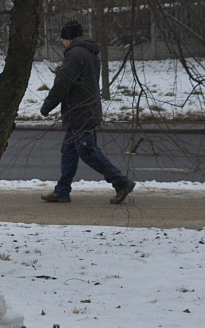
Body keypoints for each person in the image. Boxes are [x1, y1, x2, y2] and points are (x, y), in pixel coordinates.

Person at [39, 20, 135, 204]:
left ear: (69, 37)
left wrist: (47, 106)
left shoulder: (75, 54)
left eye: (63, 39)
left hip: (81, 112)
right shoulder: (89, 53)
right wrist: (63, 71)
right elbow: (80, 79)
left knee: (88, 152)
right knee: (69, 152)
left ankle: (121, 182)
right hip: (84, 110)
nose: (63, 42)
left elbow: (63, 84)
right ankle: (62, 191)